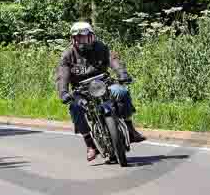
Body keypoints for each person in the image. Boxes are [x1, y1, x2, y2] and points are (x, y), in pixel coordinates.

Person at [55, 21, 146, 162]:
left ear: (91, 37)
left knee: (122, 91)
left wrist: (122, 73)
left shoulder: (101, 47)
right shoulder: (68, 55)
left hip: (104, 84)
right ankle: (90, 145)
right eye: (79, 38)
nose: (82, 41)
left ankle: (130, 128)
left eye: (85, 37)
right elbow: (62, 75)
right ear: (73, 39)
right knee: (74, 107)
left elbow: (113, 60)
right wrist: (64, 92)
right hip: (82, 90)